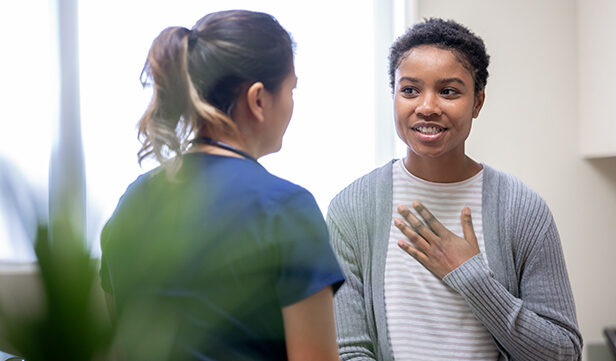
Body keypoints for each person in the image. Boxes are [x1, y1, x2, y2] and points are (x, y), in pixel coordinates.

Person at [327, 18, 582, 361]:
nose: (427, 106)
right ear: (394, 97)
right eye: (410, 90)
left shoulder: (521, 209)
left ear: (477, 102)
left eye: (448, 91)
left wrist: (473, 278)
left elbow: (563, 353)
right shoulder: (352, 209)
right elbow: (349, 350)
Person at [99, 10, 344, 361]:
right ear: (258, 99)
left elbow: (123, 342)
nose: (292, 103)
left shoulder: (134, 199)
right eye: (291, 89)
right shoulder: (286, 207)